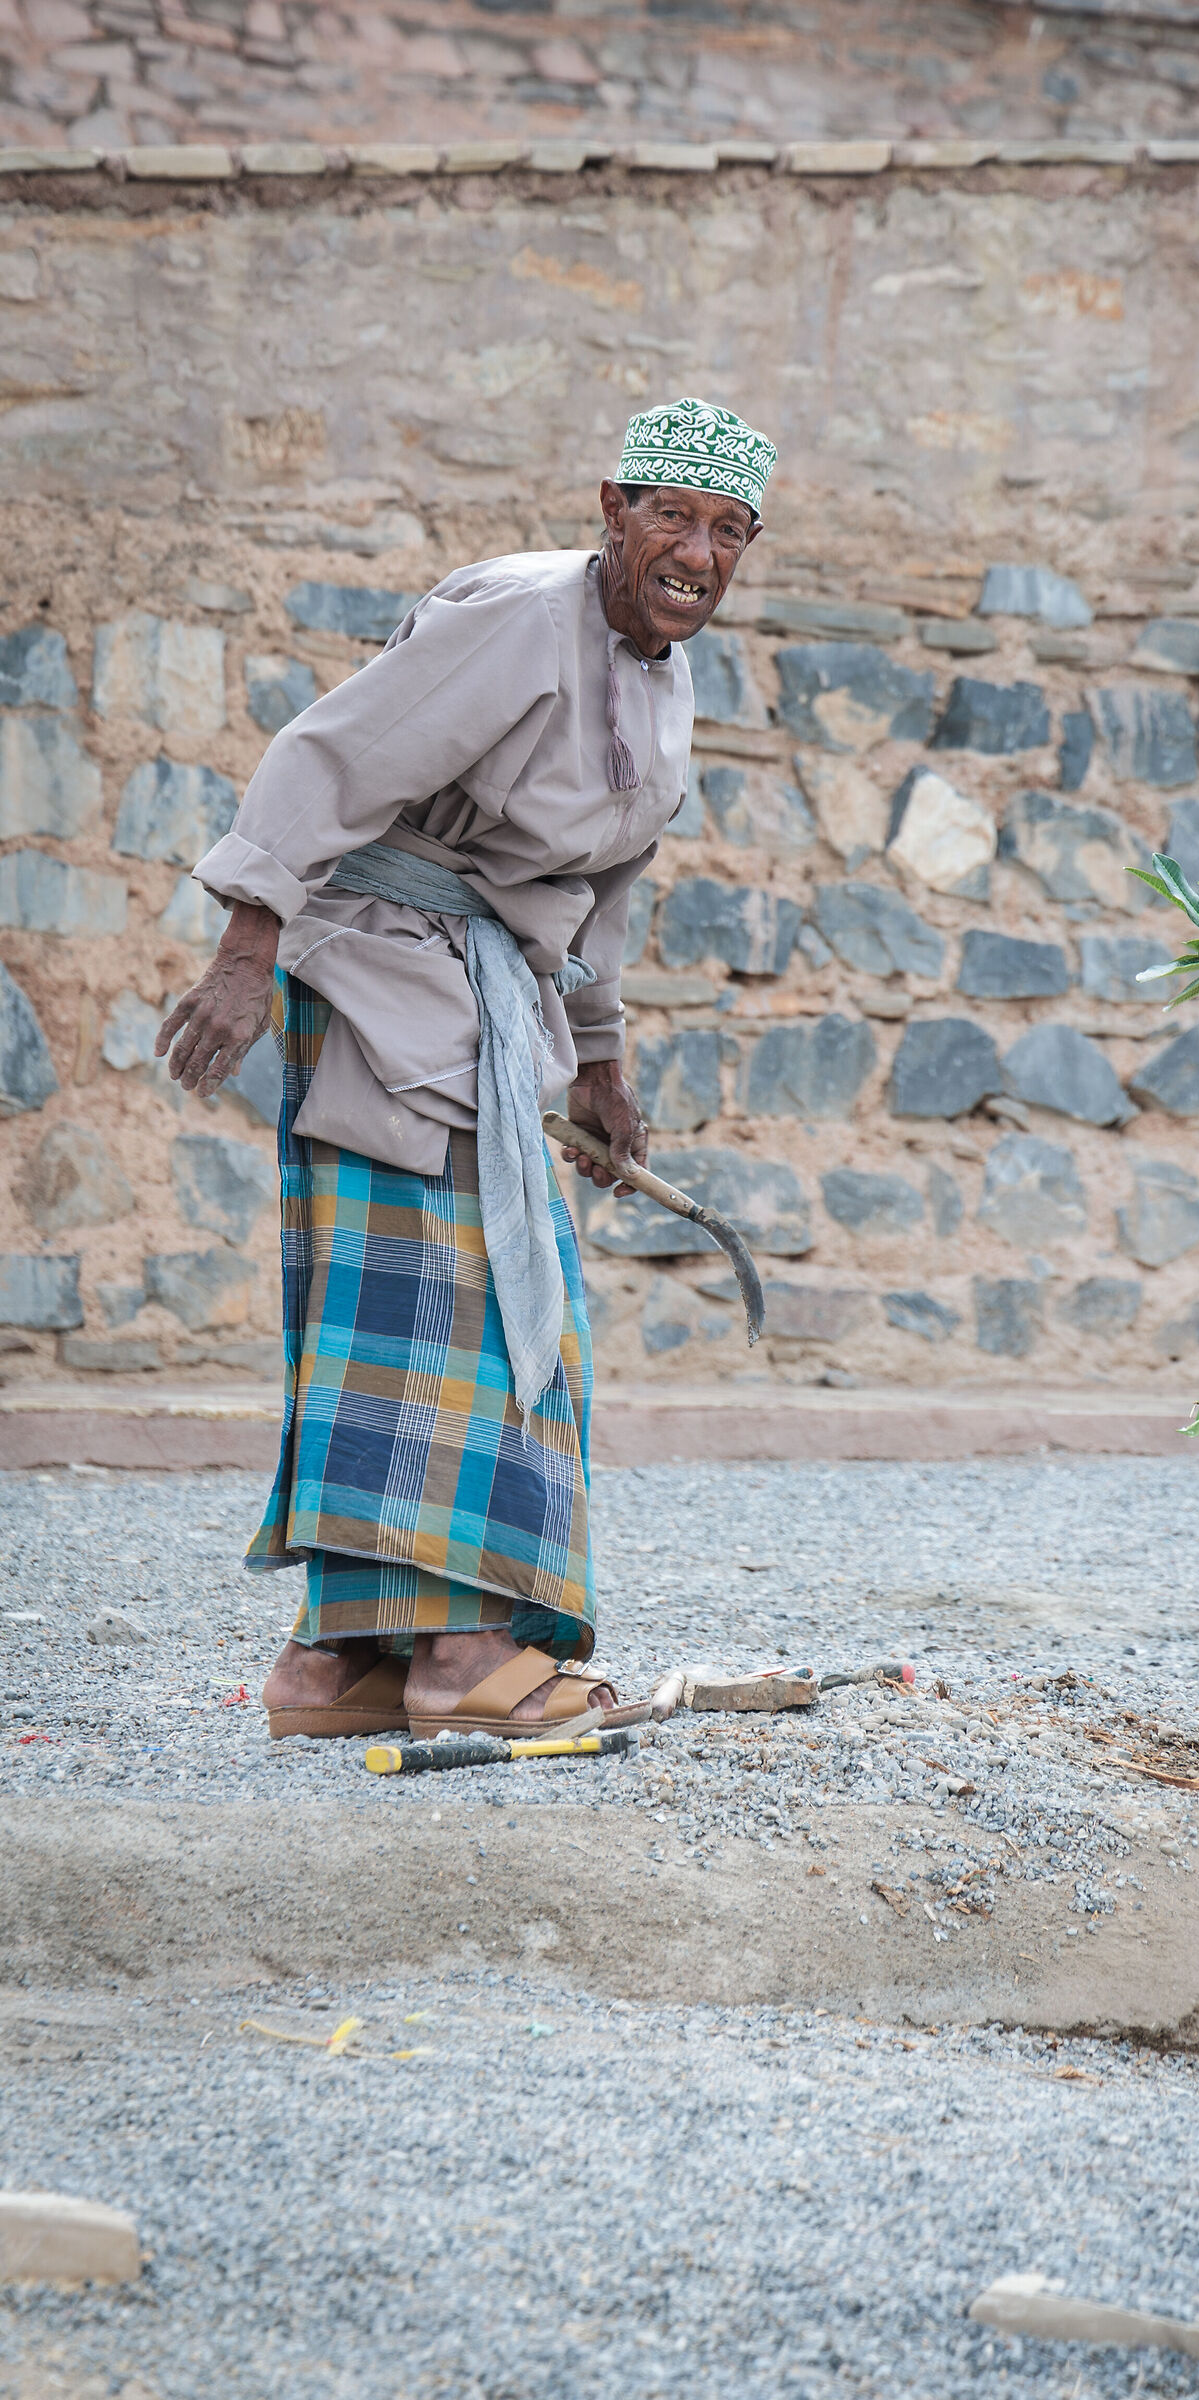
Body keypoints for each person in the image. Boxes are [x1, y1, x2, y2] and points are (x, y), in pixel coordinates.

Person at [158, 397, 774, 1741]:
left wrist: (600, 1060)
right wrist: (246, 948)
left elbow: (597, 885)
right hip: (383, 978)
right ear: (611, 510)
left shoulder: (664, 678)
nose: (699, 553)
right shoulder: (516, 613)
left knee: (415, 1321)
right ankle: (462, 1658)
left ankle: (339, 1669)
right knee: (472, 1325)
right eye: (673, 516)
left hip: (486, 1004)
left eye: (730, 531)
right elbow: (332, 755)